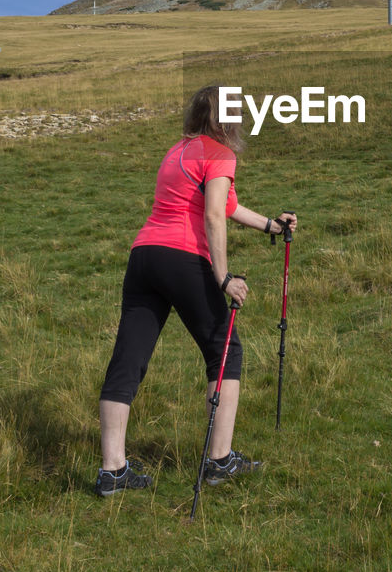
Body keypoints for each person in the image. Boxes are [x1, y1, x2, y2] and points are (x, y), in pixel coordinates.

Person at [94, 84, 298, 497]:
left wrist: (270, 226)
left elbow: (224, 205)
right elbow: (212, 218)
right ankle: (220, 461)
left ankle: (112, 470)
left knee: (128, 359)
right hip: (183, 258)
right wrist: (223, 278)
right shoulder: (222, 154)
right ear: (225, 118)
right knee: (225, 351)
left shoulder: (178, 151)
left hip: (144, 257)